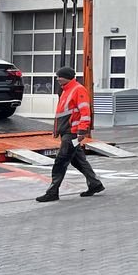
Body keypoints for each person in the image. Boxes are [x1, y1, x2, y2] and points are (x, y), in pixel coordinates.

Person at [35, 66, 104, 202]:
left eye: (59, 77)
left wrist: (82, 131)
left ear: (66, 77)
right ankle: (95, 184)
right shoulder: (66, 90)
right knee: (78, 160)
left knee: (60, 162)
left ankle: (52, 192)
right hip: (67, 132)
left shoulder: (78, 90)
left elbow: (85, 112)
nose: (57, 79)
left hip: (72, 133)